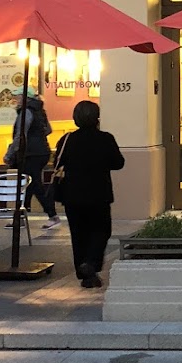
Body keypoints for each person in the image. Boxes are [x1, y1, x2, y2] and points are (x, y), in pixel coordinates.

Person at [53, 100, 125, 288]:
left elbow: (57, 163)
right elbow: (118, 163)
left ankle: (84, 272)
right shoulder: (105, 139)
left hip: (72, 194)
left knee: (78, 234)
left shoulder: (67, 139)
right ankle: (91, 263)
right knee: (101, 230)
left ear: (75, 118)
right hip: (98, 193)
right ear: (97, 117)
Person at [9, 91, 61, 231]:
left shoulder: (26, 112)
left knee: (35, 184)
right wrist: (38, 136)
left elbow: (20, 135)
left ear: (26, 98)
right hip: (42, 151)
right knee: (29, 184)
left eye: (18, 96)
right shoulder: (39, 110)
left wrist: (10, 153)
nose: (16, 99)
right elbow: (48, 130)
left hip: (32, 153)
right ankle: (20, 217)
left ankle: (52, 215)